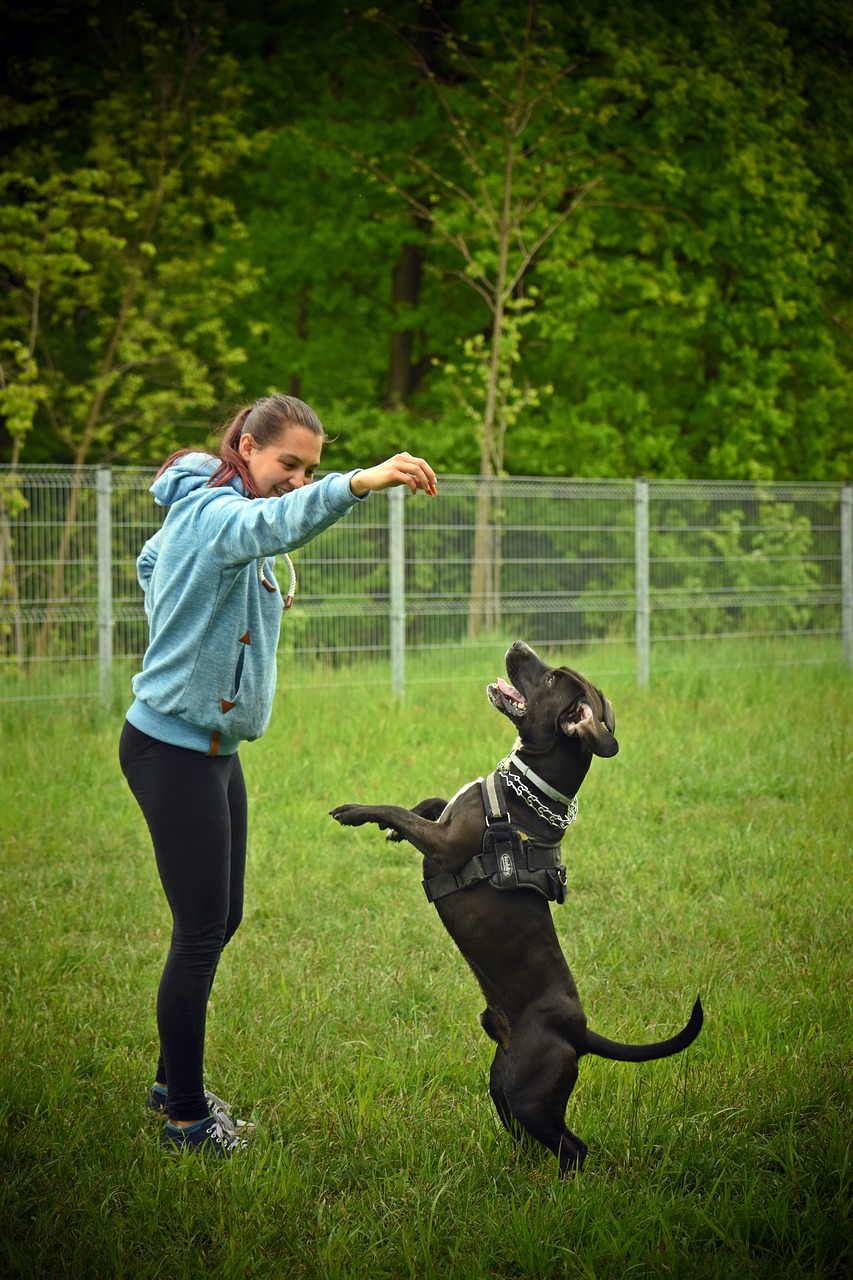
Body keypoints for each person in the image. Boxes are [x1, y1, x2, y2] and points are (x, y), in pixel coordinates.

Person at [119, 393, 437, 1157]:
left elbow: (151, 561)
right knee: (199, 935)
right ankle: (187, 1121)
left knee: (221, 920)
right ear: (248, 445)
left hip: (214, 752)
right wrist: (358, 483)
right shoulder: (220, 516)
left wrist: (177, 617)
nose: (296, 480)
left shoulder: (207, 515)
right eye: (287, 463)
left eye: (311, 470)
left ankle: (173, 1081)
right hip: (172, 750)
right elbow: (267, 527)